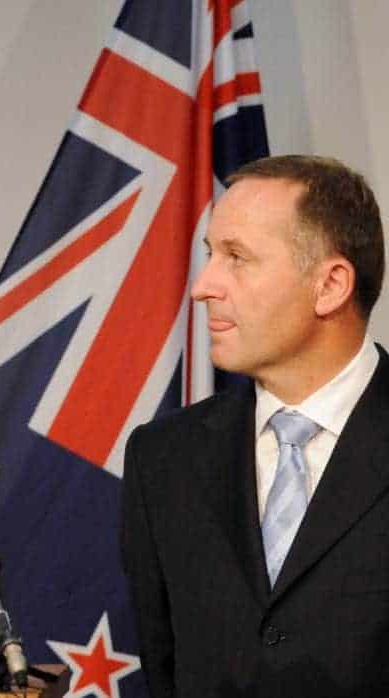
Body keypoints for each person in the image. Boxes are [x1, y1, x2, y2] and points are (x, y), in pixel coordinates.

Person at [122, 155, 389, 697]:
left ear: (331, 285)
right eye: (210, 254)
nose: (202, 286)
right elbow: (164, 665)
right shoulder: (162, 459)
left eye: (237, 257)